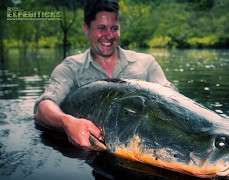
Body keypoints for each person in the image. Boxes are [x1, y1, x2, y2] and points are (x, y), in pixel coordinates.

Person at [34, 0, 174, 150]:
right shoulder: (70, 68)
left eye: (114, 28)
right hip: (90, 154)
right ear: (86, 29)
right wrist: (68, 123)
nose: (109, 35)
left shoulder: (147, 64)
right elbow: (43, 108)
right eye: (101, 28)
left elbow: (173, 100)